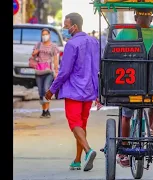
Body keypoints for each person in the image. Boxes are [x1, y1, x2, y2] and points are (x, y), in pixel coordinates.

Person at [44, 13, 99, 171]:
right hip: (89, 90)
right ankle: (77, 160)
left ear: (75, 27)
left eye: (66, 26)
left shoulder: (72, 44)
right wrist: (98, 91)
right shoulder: (94, 42)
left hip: (74, 90)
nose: (64, 29)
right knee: (81, 124)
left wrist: (52, 89)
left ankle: (88, 151)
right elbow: (98, 68)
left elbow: (64, 71)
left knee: (74, 123)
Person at [114, 8, 153, 168]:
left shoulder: (125, 32)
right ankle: (151, 129)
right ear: (152, 18)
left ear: (135, 17)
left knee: (126, 115)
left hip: (131, 83)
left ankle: (124, 148)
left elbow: (114, 56)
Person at [29, 28, 59, 118]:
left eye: (46, 34)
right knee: (41, 92)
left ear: (49, 35)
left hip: (48, 71)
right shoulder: (38, 45)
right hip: (38, 71)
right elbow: (32, 56)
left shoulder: (53, 46)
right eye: (43, 34)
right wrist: (35, 53)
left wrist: (56, 70)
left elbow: (55, 59)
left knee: (46, 89)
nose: (44, 36)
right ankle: (44, 110)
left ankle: (47, 110)